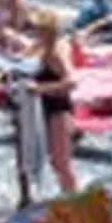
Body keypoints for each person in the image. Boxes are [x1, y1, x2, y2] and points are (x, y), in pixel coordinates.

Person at [26, 11, 78, 194]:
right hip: (48, 108)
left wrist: (39, 89)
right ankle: (68, 197)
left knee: (61, 163)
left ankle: (75, 203)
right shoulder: (47, 48)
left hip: (59, 110)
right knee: (56, 162)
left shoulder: (55, 53)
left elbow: (71, 82)